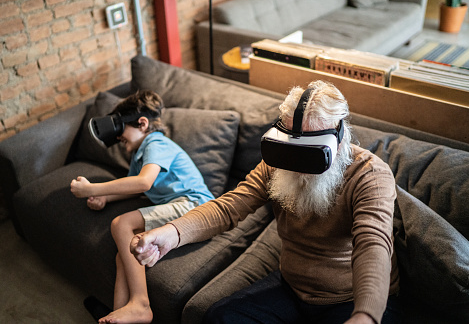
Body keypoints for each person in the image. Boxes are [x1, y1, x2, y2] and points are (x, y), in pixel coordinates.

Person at [130, 81, 401, 324]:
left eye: (310, 155)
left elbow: (373, 244)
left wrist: (365, 315)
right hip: (291, 287)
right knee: (220, 317)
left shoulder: (370, 174)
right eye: (290, 150)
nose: (296, 167)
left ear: (339, 141)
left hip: (348, 297)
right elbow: (229, 207)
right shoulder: (280, 163)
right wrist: (171, 234)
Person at [70, 90, 214, 324]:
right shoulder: (140, 155)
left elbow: (144, 182)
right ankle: (120, 314)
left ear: (142, 123)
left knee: (121, 223)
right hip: (184, 208)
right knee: (125, 253)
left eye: (122, 131)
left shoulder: (155, 142)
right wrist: (107, 198)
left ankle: (141, 304)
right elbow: (135, 188)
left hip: (197, 206)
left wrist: (93, 189)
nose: (118, 138)